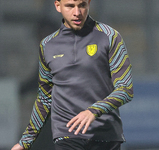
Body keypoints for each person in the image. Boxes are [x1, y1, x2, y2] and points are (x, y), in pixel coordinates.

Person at [11, 0, 134, 149]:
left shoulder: (110, 36)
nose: (77, 12)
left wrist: (93, 111)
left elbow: (125, 89)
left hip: (104, 136)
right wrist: (25, 141)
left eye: (82, 5)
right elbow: (45, 98)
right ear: (58, 6)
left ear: (88, 3)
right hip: (67, 136)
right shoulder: (47, 45)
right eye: (70, 6)